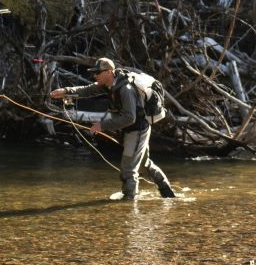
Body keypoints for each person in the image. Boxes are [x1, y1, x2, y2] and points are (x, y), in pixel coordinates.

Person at [50, 57, 177, 200]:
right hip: (130, 129)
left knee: (128, 170)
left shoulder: (126, 89)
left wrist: (102, 125)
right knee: (144, 164)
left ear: (109, 72)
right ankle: (168, 194)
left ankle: (128, 204)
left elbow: (130, 117)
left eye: (98, 72)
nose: (95, 75)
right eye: (95, 73)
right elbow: (88, 90)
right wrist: (65, 91)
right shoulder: (108, 84)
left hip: (138, 129)